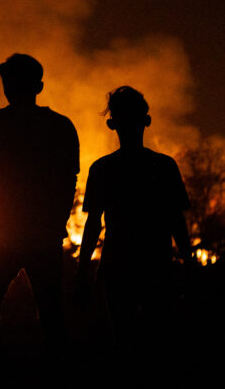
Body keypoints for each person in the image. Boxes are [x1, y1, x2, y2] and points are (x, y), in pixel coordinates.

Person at [76, 86, 193, 374]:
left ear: (111, 124)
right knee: (160, 338)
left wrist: (83, 270)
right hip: (157, 264)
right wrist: (189, 263)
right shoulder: (163, 166)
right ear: (147, 120)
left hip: (118, 265)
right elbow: (176, 219)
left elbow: (94, 224)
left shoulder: (103, 169)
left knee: (124, 339)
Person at [0, 53, 80, 349]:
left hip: (13, 236)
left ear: (37, 86)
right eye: (8, 82)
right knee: (49, 312)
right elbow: (66, 181)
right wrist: (57, 224)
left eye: (14, 81)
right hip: (29, 236)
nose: (11, 87)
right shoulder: (59, 126)